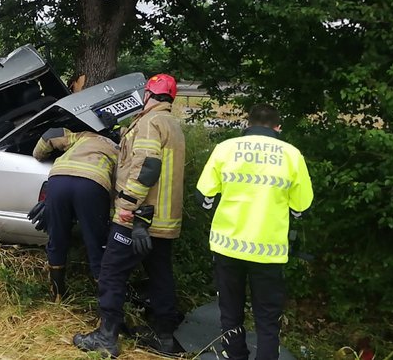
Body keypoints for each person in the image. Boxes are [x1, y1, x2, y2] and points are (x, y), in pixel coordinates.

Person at [74, 73, 185, 357]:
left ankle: (107, 338)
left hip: (138, 218)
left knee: (112, 272)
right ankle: (164, 338)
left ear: (148, 94)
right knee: (160, 275)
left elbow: (147, 166)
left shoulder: (150, 123)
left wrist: (126, 206)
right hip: (164, 221)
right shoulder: (172, 123)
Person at [195, 103, 313, 360]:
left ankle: (235, 355)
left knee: (230, 310)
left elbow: (203, 196)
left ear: (247, 125)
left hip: (227, 245)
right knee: (268, 317)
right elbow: (301, 207)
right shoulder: (292, 155)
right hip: (268, 250)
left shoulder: (225, 149)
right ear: (278, 127)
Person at [27, 113, 120, 301]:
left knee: (57, 238)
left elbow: (49, 135)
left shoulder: (82, 136)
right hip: (92, 186)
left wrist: (38, 155)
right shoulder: (118, 149)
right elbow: (119, 186)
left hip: (58, 181)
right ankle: (106, 305)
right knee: (96, 245)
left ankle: (57, 294)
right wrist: (109, 219)